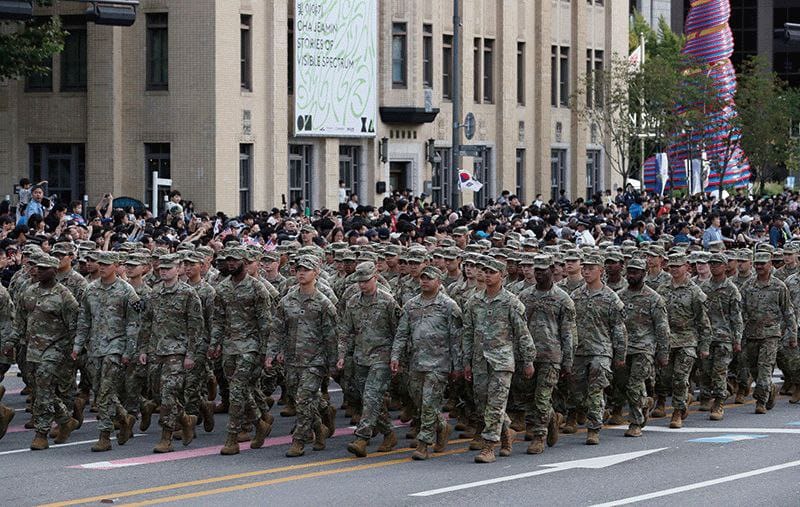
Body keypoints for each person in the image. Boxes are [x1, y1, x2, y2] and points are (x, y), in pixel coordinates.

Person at [463, 256, 535, 463]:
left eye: (491, 272)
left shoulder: (511, 302)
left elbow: (522, 333)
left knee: (495, 404)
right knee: (483, 404)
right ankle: (506, 432)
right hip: (480, 360)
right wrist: (466, 361)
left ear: (502, 275)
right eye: (485, 271)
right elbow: (467, 332)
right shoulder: (474, 301)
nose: (487, 275)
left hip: (502, 361)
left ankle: (488, 447)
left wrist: (528, 360)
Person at [6, 255, 79, 450]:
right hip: (33, 348)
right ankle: (65, 419)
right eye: (38, 267)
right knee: (39, 389)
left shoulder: (64, 296)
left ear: (54, 271)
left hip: (56, 348)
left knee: (44, 384)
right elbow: (20, 321)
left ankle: (41, 433)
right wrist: (11, 341)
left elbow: (74, 326)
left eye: (44, 268)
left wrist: (75, 350)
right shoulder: (29, 292)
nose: (38, 271)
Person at [267, 254, 337, 458]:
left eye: (306, 270)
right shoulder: (287, 301)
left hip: (315, 360)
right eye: (299, 269)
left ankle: (299, 440)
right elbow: (277, 329)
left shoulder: (323, 303)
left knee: (304, 398)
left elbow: (331, 335)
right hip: (292, 359)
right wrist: (272, 353)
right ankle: (319, 428)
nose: (301, 273)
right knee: (302, 399)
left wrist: (333, 362)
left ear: (316, 273)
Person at [391, 265, 462, 460]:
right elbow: (402, 333)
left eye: (429, 278)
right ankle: (442, 426)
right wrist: (395, 356)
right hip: (416, 362)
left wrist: (457, 366)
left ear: (438, 282)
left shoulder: (448, 305)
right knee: (421, 403)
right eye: (423, 278)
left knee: (429, 403)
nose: (424, 281)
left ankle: (424, 444)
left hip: (439, 363)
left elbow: (456, 338)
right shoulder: (411, 305)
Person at [72, 251, 140, 452]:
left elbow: (133, 323)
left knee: (104, 391)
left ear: (116, 266)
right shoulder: (90, 289)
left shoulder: (127, 291)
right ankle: (124, 417)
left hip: (116, 346)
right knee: (99, 388)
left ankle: (104, 435)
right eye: (99, 264)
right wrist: (77, 345)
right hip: (95, 347)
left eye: (106, 264)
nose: (101, 267)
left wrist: (129, 351)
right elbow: (84, 320)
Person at [209, 247, 274, 455]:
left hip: (250, 346)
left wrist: (265, 351)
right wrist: (215, 343)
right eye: (228, 260)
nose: (230, 263)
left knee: (237, 390)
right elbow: (218, 319)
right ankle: (259, 423)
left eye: (235, 260)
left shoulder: (257, 288)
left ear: (244, 263)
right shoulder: (222, 288)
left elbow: (265, 322)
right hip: (230, 346)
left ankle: (232, 438)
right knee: (240, 389)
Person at [137, 253, 204, 453]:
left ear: (178, 269)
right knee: (158, 395)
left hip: (178, 351)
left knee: (169, 394)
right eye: (161, 269)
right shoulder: (154, 293)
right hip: (157, 350)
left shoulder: (188, 293)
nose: (164, 271)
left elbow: (196, 325)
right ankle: (186, 420)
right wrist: (143, 349)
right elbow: (146, 323)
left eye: (168, 268)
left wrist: (191, 353)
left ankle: (166, 437)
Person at [339, 261, 401, 457]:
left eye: (366, 281)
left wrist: (396, 357)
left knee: (371, 395)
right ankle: (389, 433)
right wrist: (342, 355)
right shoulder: (353, 302)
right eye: (360, 282)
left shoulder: (387, 301)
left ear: (375, 278)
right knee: (371, 399)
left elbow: (399, 332)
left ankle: (362, 438)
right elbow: (345, 331)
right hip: (361, 357)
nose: (362, 285)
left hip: (382, 356)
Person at [516, 255, 575, 454]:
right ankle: (548, 417)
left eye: (543, 270)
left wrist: (567, 361)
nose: (539, 274)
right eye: (537, 270)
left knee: (542, 396)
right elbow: (518, 328)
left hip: (551, 355)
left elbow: (567, 333)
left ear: (552, 269)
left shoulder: (562, 299)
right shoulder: (525, 296)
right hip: (528, 355)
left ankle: (539, 436)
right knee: (527, 396)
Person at [568, 253, 627, 445]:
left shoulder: (611, 297)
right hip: (579, 351)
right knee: (577, 392)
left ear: (600, 270)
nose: (586, 272)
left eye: (591, 268)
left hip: (601, 351)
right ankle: (598, 411)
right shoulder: (576, 295)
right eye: (584, 268)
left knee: (595, 390)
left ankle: (593, 429)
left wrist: (620, 354)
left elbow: (618, 328)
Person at [613, 258, 670, 437]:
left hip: (644, 349)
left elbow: (662, 328)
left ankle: (635, 423)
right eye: (629, 272)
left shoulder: (654, 298)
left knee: (634, 385)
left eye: (636, 272)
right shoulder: (619, 296)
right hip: (623, 349)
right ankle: (644, 402)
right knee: (621, 385)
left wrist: (663, 353)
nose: (631, 275)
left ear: (644, 274)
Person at [654, 254, 711, 429]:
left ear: (686, 267)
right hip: (667, 341)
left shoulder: (695, 292)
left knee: (680, 377)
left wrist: (704, 345)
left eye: (678, 266)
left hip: (687, 340)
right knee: (664, 378)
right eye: (672, 266)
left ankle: (677, 412)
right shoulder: (663, 289)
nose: (674, 269)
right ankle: (684, 398)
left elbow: (703, 321)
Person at [740, 251, 797, 414]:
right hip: (751, 334)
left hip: (771, 335)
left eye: (762, 263)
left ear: (770, 265)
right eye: (757, 263)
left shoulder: (779, 286)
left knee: (765, 368)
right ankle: (769, 389)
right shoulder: (748, 286)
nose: (759, 266)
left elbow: (788, 311)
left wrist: (792, 334)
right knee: (754, 370)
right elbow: (740, 311)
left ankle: (761, 401)